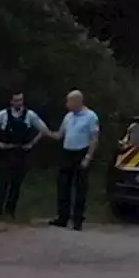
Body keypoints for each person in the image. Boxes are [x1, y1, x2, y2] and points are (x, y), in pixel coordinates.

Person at [0, 92, 49, 221]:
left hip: (21, 153)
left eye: (21, 100)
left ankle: (10, 212)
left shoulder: (30, 115)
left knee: (16, 184)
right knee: (1, 184)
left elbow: (44, 129)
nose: (19, 103)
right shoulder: (3, 115)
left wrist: (31, 144)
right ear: (11, 102)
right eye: (16, 100)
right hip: (6, 152)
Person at [46, 90, 100, 230]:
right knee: (63, 185)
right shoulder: (68, 116)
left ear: (78, 102)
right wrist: (45, 132)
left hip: (81, 152)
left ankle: (77, 220)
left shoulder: (90, 117)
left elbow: (94, 138)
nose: (67, 105)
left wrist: (88, 157)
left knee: (80, 188)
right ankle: (62, 217)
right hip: (67, 152)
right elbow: (60, 134)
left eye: (69, 102)